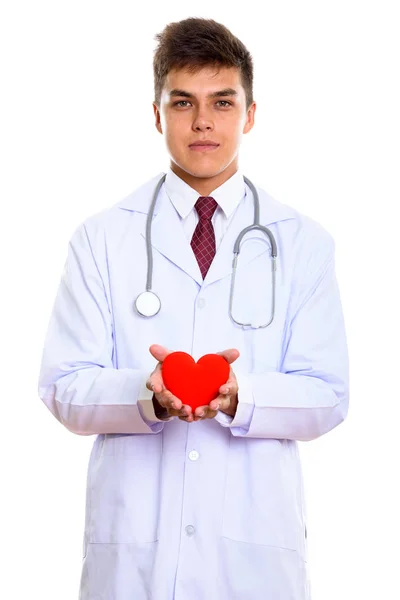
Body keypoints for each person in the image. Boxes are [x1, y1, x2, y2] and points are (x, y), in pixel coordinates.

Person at [37, 16, 349, 600]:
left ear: (250, 114)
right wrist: (145, 394)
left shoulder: (303, 243)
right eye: (183, 101)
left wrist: (244, 395)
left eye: (222, 101)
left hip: (253, 562)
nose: (203, 121)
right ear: (157, 113)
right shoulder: (102, 238)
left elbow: (329, 394)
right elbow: (63, 385)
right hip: (134, 564)